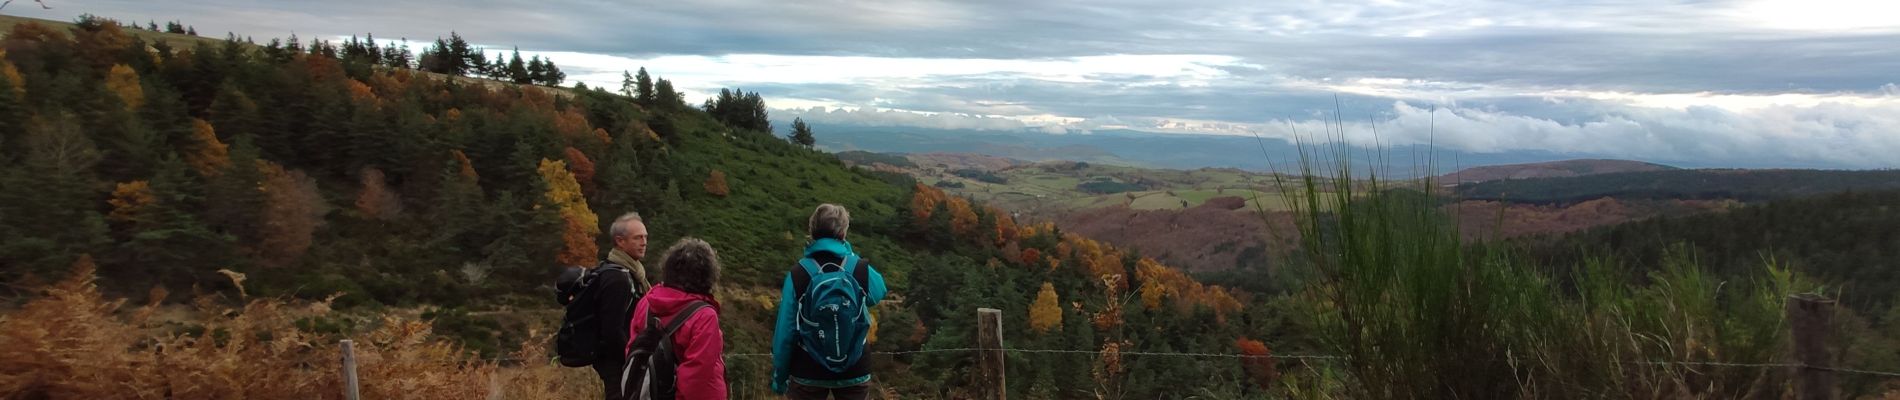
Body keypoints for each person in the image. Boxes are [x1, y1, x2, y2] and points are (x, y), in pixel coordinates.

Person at [772, 204, 889, 399]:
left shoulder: (798, 273)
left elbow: (786, 332)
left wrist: (779, 378)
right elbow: (879, 291)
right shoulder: (857, 267)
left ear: (812, 231)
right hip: (855, 368)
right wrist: (848, 253)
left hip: (808, 370)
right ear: (843, 233)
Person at [624, 238, 728, 399]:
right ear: (707, 275)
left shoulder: (647, 302)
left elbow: (632, 347)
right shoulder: (704, 315)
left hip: (650, 392)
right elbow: (696, 374)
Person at [583, 212, 652, 400]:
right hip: (618, 362)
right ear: (620, 241)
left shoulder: (631, 271)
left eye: (645, 237)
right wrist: (633, 361)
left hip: (621, 359)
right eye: (638, 237)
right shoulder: (617, 278)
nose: (644, 242)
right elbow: (612, 330)